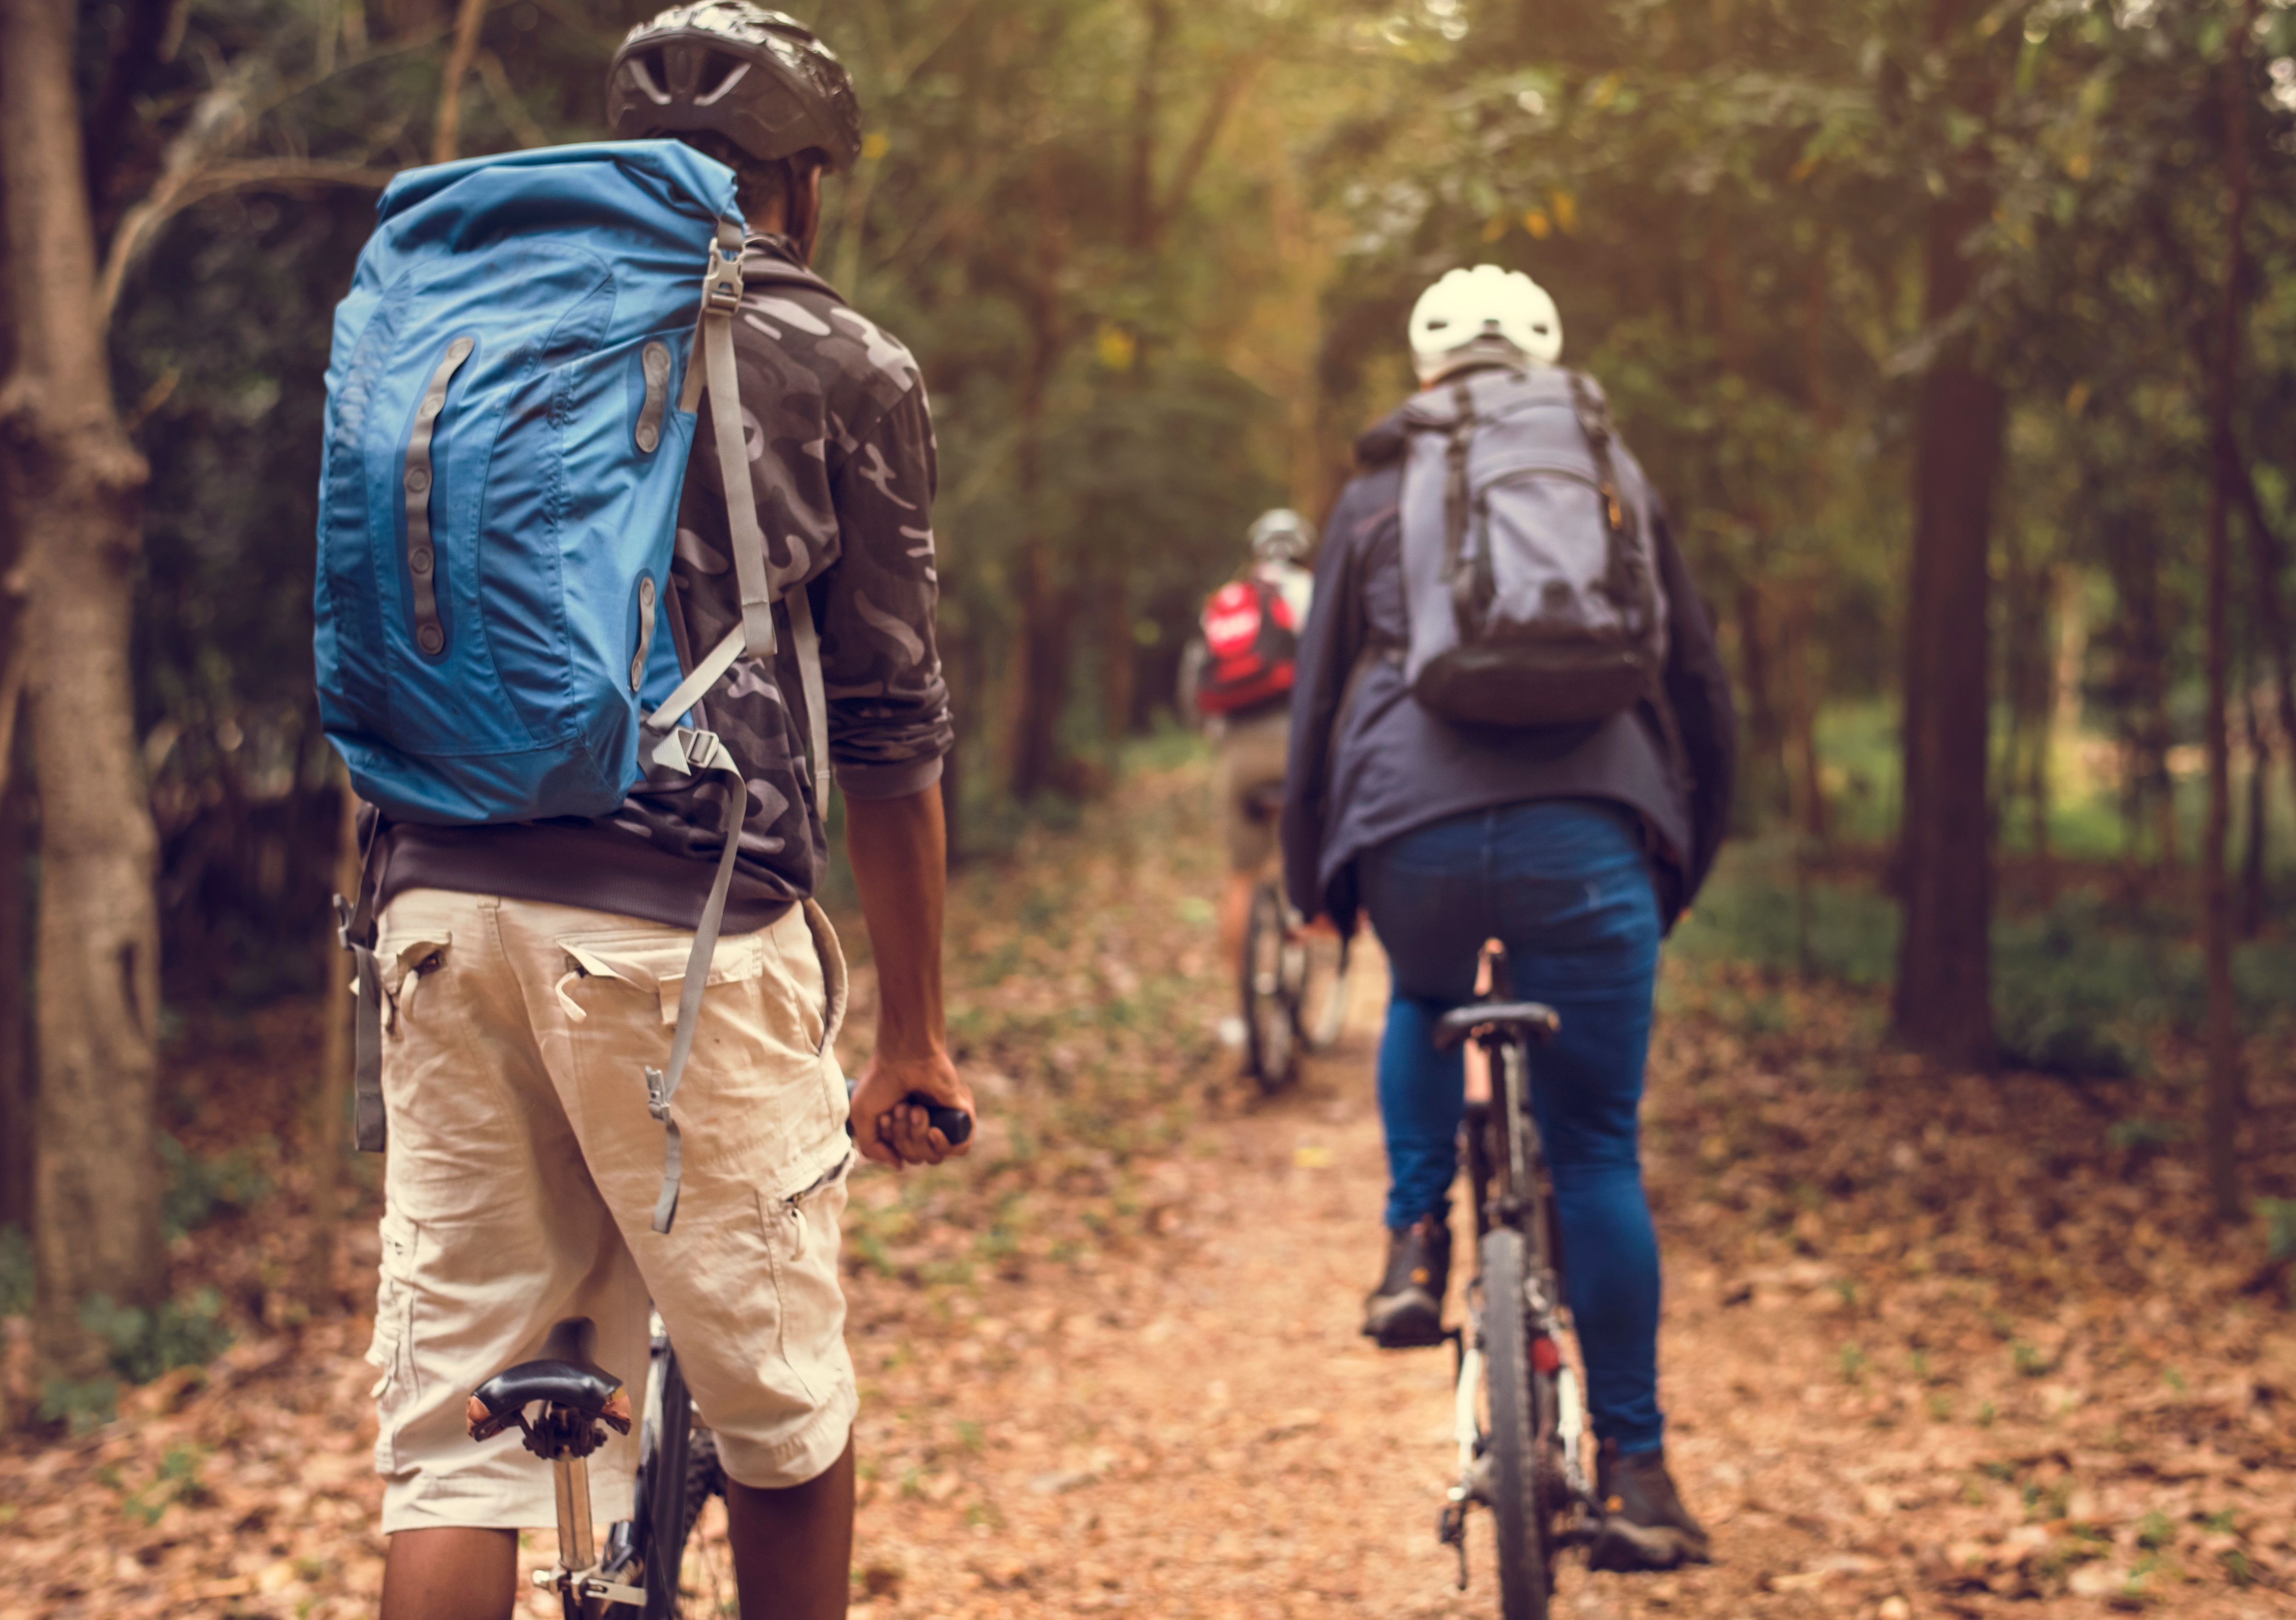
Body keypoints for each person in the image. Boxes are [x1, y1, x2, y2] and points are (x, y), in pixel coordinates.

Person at [360, 8, 966, 1617]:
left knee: (455, 1454)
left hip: (432, 900)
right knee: (785, 1416)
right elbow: (895, 723)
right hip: (675, 928)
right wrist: (914, 1033)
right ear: (804, 186)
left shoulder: (472, 321)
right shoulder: (841, 358)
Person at [1280, 265, 1736, 1571]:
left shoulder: (1374, 489)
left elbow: (1316, 703)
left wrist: (1319, 876)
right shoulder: (1611, 475)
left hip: (1408, 829)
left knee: (1424, 995)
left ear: (1428, 372)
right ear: (1545, 359)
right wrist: (1678, 858)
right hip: (1596, 827)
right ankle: (1639, 1472)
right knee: (1595, 1147)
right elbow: (1696, 680)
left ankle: (1416, 1241)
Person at [1188, 508, 1316, 1024]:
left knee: (1242, 877)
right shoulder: (1311, 590)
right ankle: (1299, 954)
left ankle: (1240, 1017)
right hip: (1296, 744)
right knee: (1299, 863)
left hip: (1238, 750)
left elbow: (1197, 683)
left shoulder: (1225, 600)